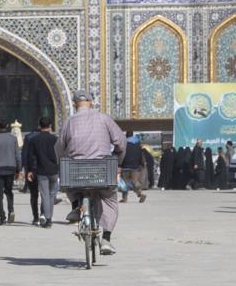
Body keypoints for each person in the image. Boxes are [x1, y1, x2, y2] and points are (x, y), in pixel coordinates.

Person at [58, 91, 125, 257]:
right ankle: (106, 239)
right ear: (91, 102)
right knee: (110, 200)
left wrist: (64, 160)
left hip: (76, 172)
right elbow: (121, 142)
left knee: (68, 179)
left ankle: (75, 207)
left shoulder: (69, 122)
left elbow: (59, 148)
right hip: (102, 170)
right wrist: (118, 160)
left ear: (75, 105)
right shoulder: (104, 118)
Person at [22, 117, 59, 226]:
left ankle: (47, 219)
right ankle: (49, 217)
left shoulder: (35, 140)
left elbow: (32, 157)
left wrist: (30, 171)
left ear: (39, 126)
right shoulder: (55, 139)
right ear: (50, 126)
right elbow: (59, 155)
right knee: (52, 195)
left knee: (45, 195)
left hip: (41, 171)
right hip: (54, 170)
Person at [0, 120, 22, 223]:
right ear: (7, 126)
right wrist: (19, 169)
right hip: (10, 168)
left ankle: (2, 216)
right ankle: (11, 210)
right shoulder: (13, 138)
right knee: (9, 191)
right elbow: (18, 155)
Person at [119, 133, 146, 204]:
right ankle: (141, 193)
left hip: (125, 166)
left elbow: (122, 154)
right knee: (135, 182)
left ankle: (124, 199)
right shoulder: (137, 143)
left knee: (125, 183)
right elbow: (140, 154)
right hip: (135, 166)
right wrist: (141, 164)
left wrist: (119, 164)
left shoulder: (124, 143)